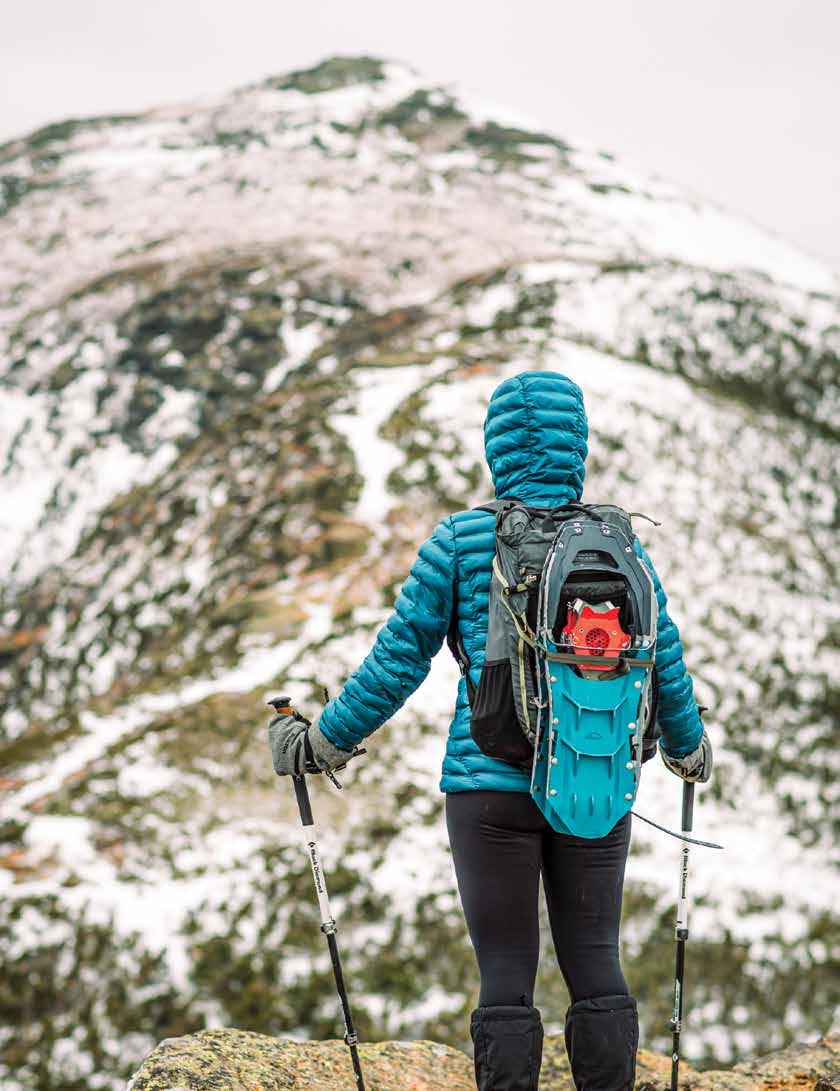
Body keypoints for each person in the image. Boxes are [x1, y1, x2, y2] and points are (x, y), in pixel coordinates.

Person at [269, 370, 712, 1091]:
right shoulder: (620, 542)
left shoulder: (463, 539)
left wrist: (322, 743)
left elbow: (398, 659)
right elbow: (664, 653)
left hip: (488, 788)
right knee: (597, 961)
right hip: (595, 779)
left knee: (506, 972)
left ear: (496, 447)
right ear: (578, 444)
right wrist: (688, 749)